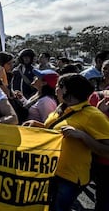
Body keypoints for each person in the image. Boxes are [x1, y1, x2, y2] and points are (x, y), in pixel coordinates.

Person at [23, 73, 109, 211]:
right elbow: (56, 131)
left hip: (70, 178)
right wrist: (38, 125)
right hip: (51, 171)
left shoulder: (93, 115)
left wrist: (83, 136)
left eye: (58, 86)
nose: (55, 89)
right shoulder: (61, 108)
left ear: (66, 90)